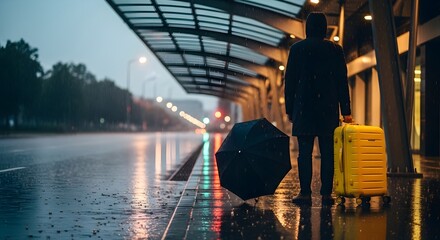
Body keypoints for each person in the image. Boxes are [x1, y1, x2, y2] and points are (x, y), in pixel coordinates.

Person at [284, 12, 352, 205]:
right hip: (327, 108)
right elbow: (342, 81)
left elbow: (290, 81)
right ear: (324, 29)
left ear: (307, 28)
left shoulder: (297, 49)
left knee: (304, 153)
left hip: (304, 108)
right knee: (327, 153)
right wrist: (346, 110)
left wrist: (290, 109)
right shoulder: (334, 50)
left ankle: (305, 193)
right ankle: (325, 194)